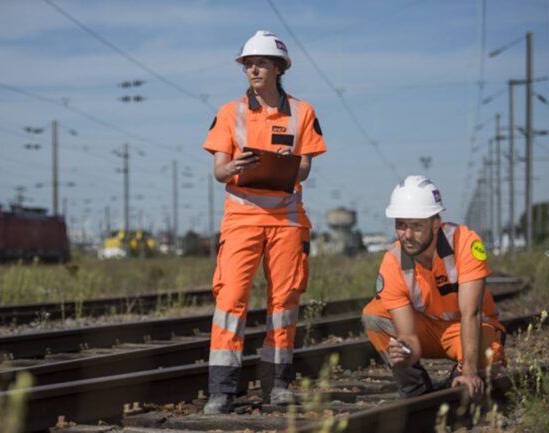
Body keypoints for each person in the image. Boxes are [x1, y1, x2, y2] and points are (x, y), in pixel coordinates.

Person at [201, 30, 326, 414]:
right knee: (230, 301)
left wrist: (286, 161)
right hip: (241, 219)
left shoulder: (303, 112)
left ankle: (278, 385)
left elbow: (304, 167)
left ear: (278, 68)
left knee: (284, 304)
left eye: (260, 63)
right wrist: (233, 167)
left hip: (287, 220)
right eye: (248, 64)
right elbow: (219, 171)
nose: (252, 69)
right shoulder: (228, 112)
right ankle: (222, 390)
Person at [361, 175, 506, 399]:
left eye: (416, 226)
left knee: (488, 356)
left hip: (468, 328)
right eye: (401, 225)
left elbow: (472, 313)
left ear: (436, 223)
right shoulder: (393, 261)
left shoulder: (465, 242)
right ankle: (416, 390)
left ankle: (459, 377)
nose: (407, 235)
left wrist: (468, 371)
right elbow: (408, 336)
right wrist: (405, 353)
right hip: (427, 331)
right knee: (373, 315)